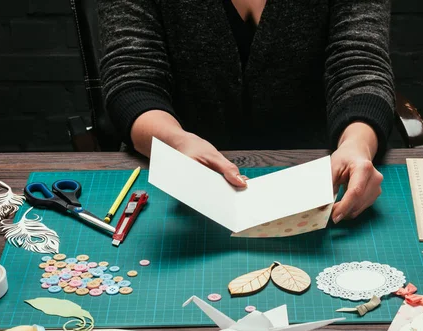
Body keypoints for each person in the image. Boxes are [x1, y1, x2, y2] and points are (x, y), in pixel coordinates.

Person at [98, 0, 394, 224]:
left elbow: (359, 63)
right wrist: (176, 142)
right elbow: (132, 75)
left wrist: (357, 145)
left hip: (321, 179)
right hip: (172, 182)